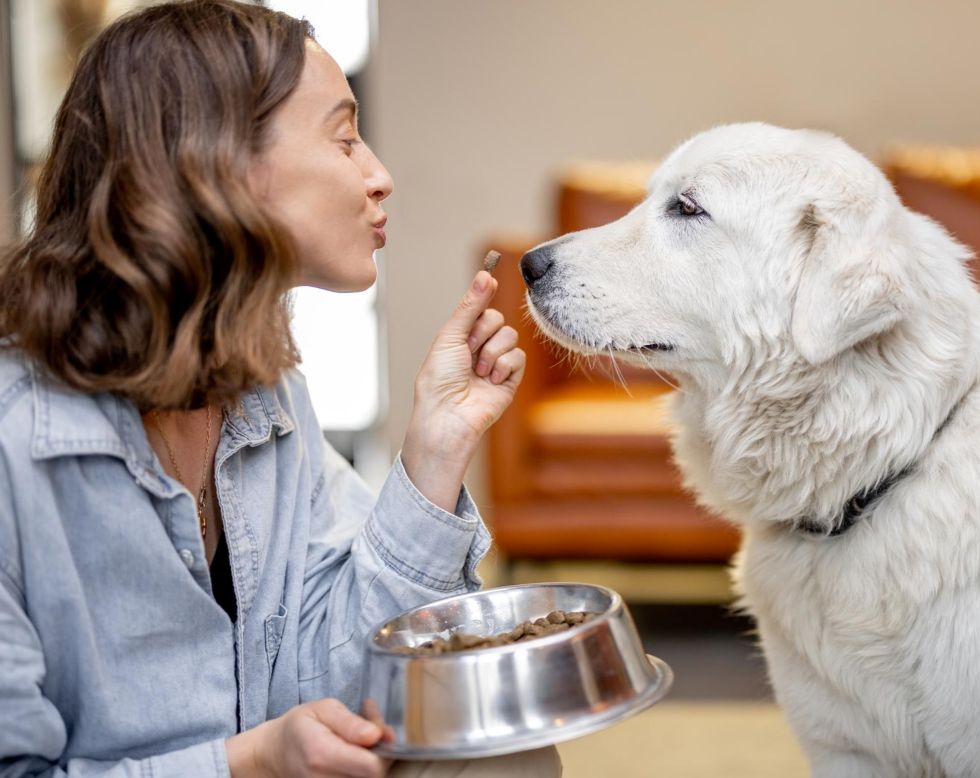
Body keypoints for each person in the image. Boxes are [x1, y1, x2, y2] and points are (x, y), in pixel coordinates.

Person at [0, 1, 561, 776]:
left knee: (506, 754)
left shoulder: (266, 392)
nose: (379, 174)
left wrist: (435, 449)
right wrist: (249, 762)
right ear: (216, 165)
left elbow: (346, 675)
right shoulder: (13, 444)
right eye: (343, 138)